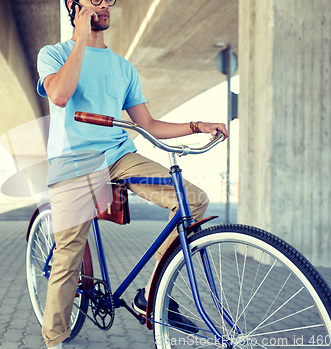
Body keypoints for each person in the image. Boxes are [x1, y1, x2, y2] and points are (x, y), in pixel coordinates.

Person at [36, 1, 229, 348]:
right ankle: (55, 338)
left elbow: (149, 124)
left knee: (194, 200)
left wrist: (198, 125)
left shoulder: (123, 68)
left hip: (120, 156)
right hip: (74, 161)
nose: (104, 4)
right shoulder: (53, 54)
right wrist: (80, 38)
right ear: (73, 4)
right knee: (68, 256)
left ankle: (152, 292)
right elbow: (61, 95)